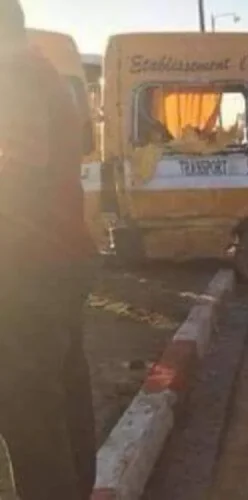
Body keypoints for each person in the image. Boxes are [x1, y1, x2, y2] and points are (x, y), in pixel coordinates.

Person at [0, 1, 97, 499]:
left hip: (26, 269)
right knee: (60, 397)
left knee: (29, 410)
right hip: (54, 260)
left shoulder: (16, 78)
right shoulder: (43, 74)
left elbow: (18, 166)